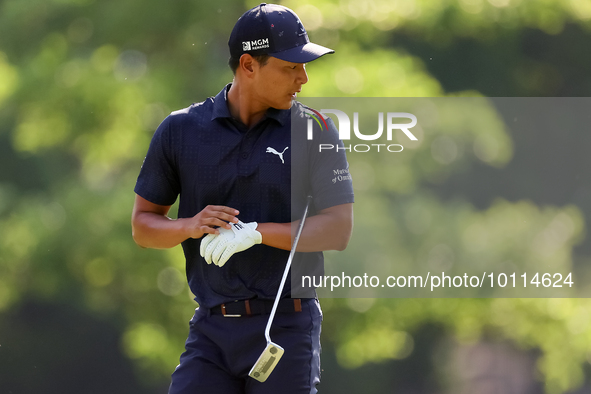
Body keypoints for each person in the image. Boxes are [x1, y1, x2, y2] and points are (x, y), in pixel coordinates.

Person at [131, 3, 354, 393]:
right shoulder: (180, 129)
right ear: (249, 65)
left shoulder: (316, 129)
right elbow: (142, 226)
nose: (303, 78)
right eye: (290, 67)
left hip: (286, 325)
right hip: (211, 329)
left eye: (304, 66)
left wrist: (256, 233)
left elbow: (338, 230)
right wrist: (188, 226)